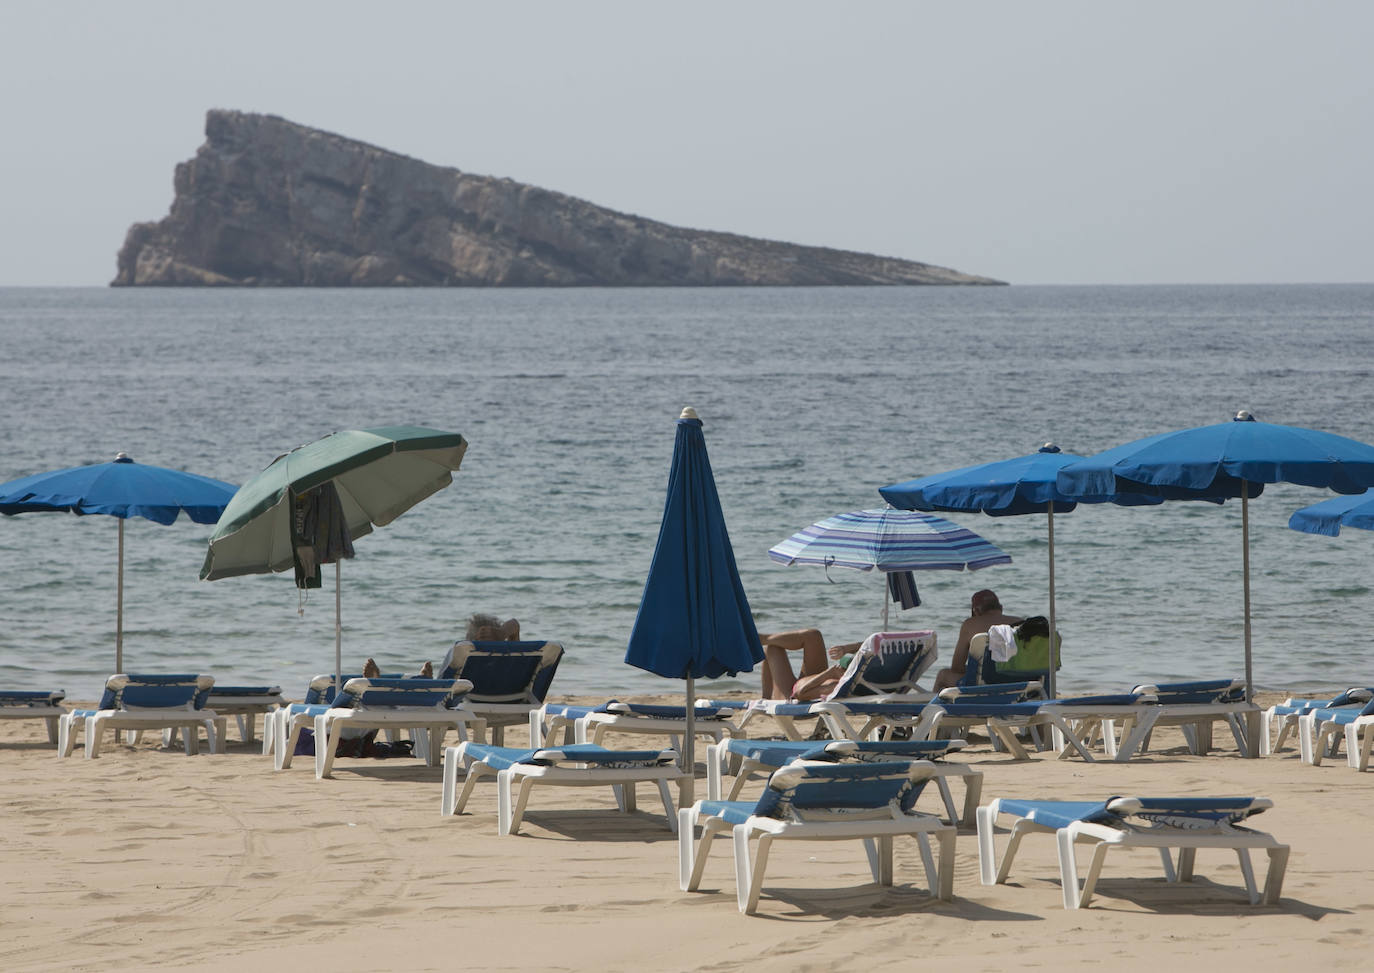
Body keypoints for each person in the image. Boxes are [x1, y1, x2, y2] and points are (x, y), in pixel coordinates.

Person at [932, 589, 1024, 692]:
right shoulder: (1020, 622)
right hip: (1019, 682)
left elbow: (957, 667)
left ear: (976, 611)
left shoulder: (970, 624)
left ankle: (933, 708)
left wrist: (974, 669)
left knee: (943, 675)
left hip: (980, 685)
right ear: (1001, 608)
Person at [757, 628, 864, 701]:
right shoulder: (868, 671)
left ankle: (765, 699)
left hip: (792, 695)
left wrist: (829, 673)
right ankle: (761, 639)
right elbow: (871, 645)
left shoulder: (838, 686)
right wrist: (846, 649)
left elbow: (800, 693)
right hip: (815, 679)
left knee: (773, 648)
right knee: (813, 635)